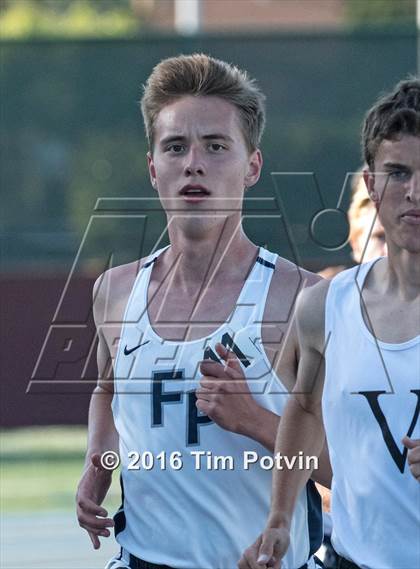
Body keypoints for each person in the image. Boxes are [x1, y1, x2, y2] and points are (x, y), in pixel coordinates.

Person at [76, 54, 330, 569]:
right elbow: (108, 392)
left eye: (216, 146)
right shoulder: (114, 292)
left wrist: (254, 420)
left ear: (252, 165)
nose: (193, 162)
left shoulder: (299, 299)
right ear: (153, 168)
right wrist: (97, 465)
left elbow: (345, 468)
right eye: (175, 147)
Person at [239, 77, 420, 569]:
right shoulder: (325, 305)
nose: (415, 192)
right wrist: (278, 517)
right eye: (399, 173)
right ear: (370, 185)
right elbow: (302, 411)